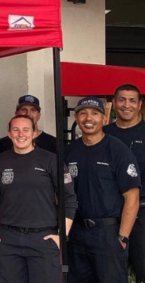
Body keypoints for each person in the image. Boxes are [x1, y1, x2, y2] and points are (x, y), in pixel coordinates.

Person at [0, 115, 77, 283]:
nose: (21, 134)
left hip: (43, 238)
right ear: (9, 133)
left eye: (26, 129)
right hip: (8, 239)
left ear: (35, 133)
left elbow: (69, 200)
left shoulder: (52, 161)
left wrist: (61, 236)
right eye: (16, 129)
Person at [65, 96, 141, 283]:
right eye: (83, 113)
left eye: (95, 113)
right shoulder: (68, 151)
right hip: (76, 233)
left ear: (105, 119)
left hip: (108, 234)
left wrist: (122, 237)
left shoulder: (118, 151)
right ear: (76, 118)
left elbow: (132, 198)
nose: (88, 118)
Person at [104, 84, 145, 283]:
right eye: (121, 100)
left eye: (132, 100)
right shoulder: (103, 134)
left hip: (142, 214)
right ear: (113, 102)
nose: (126, 105)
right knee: (109, 272)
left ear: (140, 105)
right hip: (109, 216)